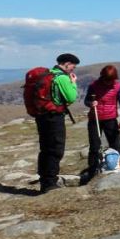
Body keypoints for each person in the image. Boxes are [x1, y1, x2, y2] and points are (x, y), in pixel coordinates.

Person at [35, 53, 80, 194]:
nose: (73, 69)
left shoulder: (50, 74)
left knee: (45, 148)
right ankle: (50, 184)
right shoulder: (61, 77)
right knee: (56, 149)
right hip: (54, 118)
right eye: (73, 66)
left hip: (42, 116)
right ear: (67, 63)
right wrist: (73, 83)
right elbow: (71, 98)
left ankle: (44, 180)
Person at [82, 65, 120, 178]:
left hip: (111, 119)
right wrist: (91, 103)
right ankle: (92, 171)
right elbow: (86, 100)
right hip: (95, 119)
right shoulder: (94, 85)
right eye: (107, 80)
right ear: (102, 77)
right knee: (94, 147)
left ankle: (119, 166)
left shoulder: (117, 86)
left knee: (115, 145)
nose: (108, 83)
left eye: (111, 80)